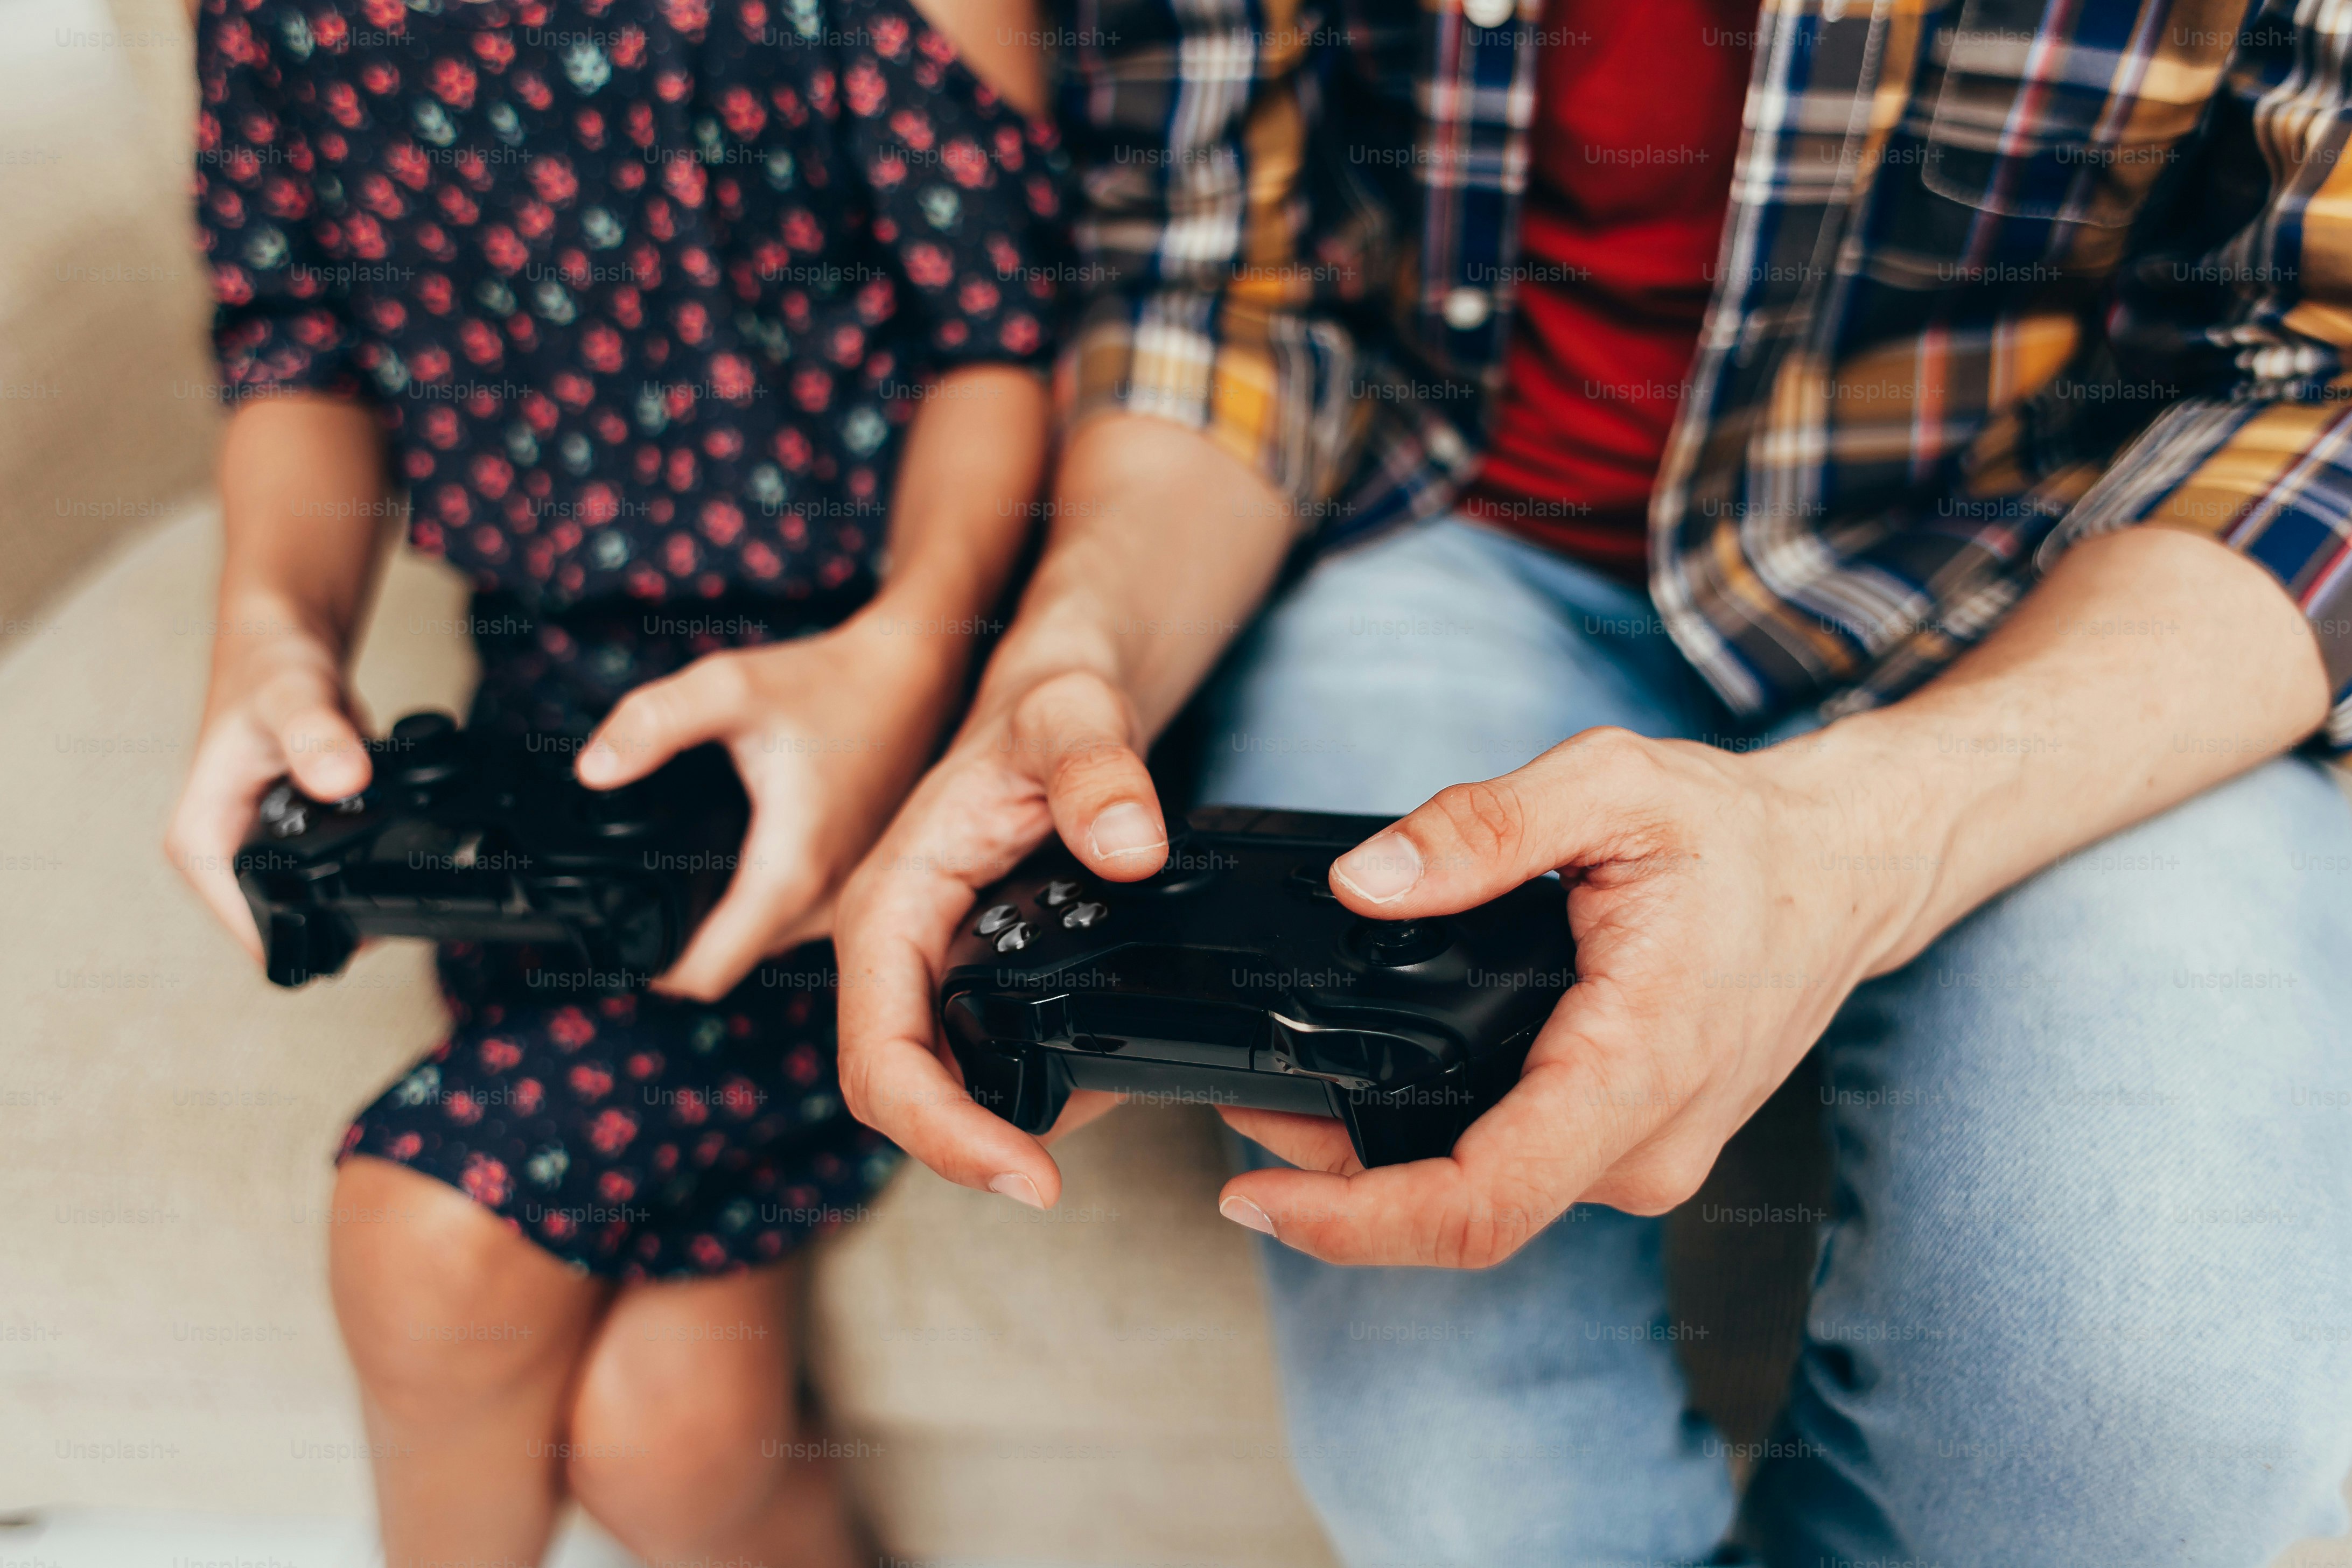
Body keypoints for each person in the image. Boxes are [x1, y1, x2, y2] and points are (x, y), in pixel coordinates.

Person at [830, 0, 2352, 1563]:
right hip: (1468, 526)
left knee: (2151, 1419)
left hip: (2092, 581)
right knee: (1454, 1473)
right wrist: (1073, 653)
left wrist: (1851, 847)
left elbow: (2325, 383)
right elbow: (1215, 285)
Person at [165, 0, 1065, 1556]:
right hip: (561, 747)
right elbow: (296, 345)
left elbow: (1004, 341)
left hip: (893, 717)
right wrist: (270, 631)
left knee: (430, 1248)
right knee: (678, 1438)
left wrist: (906, 656)